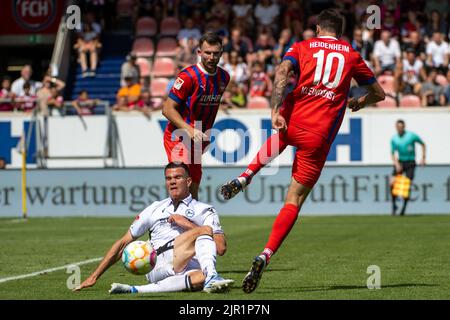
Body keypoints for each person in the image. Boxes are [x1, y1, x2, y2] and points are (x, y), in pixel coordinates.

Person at [220, 9, 385, 293]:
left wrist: (274, 109)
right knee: (293, 201)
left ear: (318, 28)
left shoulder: (302, 46)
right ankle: (265, 254)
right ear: (340, 32)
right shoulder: (351, 54)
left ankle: (246, 176)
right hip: (319, 135)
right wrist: (361, 101)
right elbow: (379, 93)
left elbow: (283, 71)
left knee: (281, 136)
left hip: (293, 118)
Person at [75, 162, 233, 294]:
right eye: (168, 178)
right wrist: (94, 276)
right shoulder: (155, 208)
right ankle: (212, 276)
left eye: (177, 177)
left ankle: (135, 290)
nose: (172, 182)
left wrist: (187, 224)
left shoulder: (204, 210)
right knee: (204, 230)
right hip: (155, 263)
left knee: (200, 278)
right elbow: (124, 242)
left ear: (189, 181)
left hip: (187, 266)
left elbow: (220, 248)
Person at [162, 32, 230, 200]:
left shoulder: (224, 77)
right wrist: (189, 129)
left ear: (221, 53)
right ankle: (170, 222)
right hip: (179, 135)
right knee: (182, 184)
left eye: (215, 53)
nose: (211, 57)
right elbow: (167, 109)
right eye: (207, 52)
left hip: (198, 139)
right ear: (199, 52)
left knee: (193, 187)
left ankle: (191, 224)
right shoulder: (188, 76)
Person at [391, 120, 426, 216]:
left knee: (406, 186)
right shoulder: (394, 139)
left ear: (404, 127)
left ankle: (403, 209)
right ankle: (394, 205)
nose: (400, 128)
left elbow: (422, 144)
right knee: (392, 182)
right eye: (398, 126)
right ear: (396, 127)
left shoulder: (411, 136)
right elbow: (393, 153)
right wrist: (396, 163)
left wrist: (423, 158)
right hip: (401, 162)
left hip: (410, 162)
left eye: (401, 126)